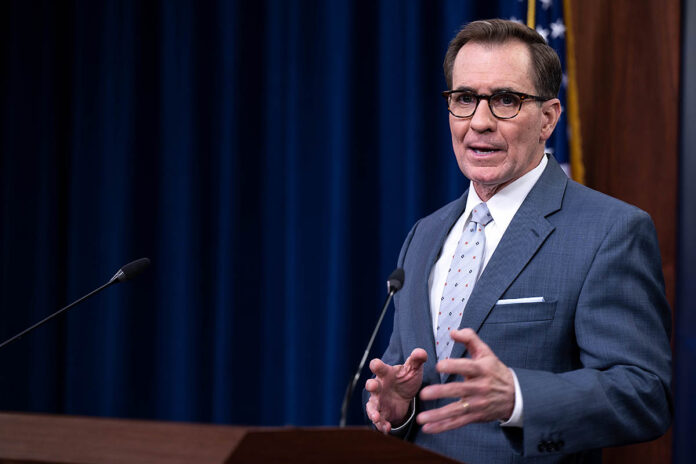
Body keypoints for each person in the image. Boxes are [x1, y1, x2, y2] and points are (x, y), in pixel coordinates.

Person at [364, 19, 672, 463]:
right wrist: (399, 409)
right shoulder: (424, 234)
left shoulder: (610, 231)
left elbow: (646, 394)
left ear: (548, 118)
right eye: (465, 99)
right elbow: (408, 377)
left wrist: (519, 397)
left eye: (506, 100)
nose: (480, 122)